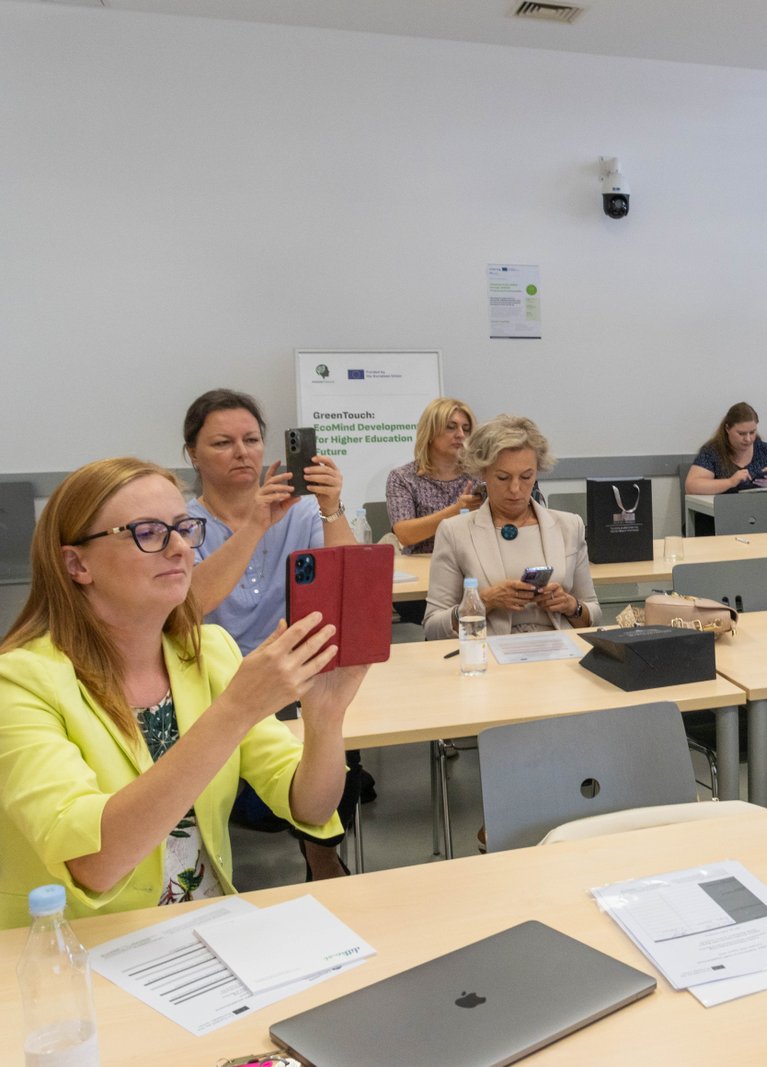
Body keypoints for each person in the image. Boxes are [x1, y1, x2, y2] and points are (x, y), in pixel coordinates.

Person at [0, 458, 367, 928]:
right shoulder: (19, 682)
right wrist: (236, 709)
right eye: (148, 532)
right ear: (77, 564)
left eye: (183, 529)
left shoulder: (208, 651)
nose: (180, 549)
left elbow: (308, 806)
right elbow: (93, 863)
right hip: (77, 946)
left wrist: (325, 717)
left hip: (203, 930)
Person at [182, 388, 359, 880]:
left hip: (296, 672)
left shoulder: (299, 512)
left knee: (337, 738)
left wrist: (330, 507)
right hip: (216, 681)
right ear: (193, 453)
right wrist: (256, 525)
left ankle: (320, 852)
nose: (241, 452)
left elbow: (347, 582)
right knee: (258, 793)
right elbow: (191, 603)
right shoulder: (184, 525)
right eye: (222, 443)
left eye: (251, 440)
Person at [423, 415, 599, 639]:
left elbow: (593, 615)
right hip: (490, 650)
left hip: (560, 650)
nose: (515, 489)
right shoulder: (455, 532)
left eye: (526, 477)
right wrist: (483, 602)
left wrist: (571, 606)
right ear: (483, 472)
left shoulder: (569, 526)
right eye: (503, 478)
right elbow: (433, 628)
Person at [387, 397, 482, 555]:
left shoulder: (479, 475)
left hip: (470, 560)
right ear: (430, 432)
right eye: (451, 427)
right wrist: (456, 510)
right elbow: (404, 535)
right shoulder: (403, 477)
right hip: (421, 562)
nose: (460, 434)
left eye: (466, 429)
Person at [684, 402, 767, 495]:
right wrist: (730, 482)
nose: (748, 439)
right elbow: (691, 486)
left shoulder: (764, 449)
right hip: (722, 511)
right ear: (727, 428)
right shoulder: (712, 451)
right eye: (741, 433)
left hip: (758, 510)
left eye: (752, 432)